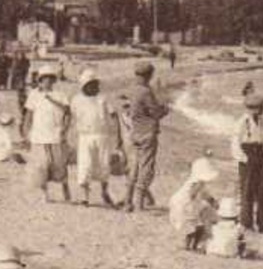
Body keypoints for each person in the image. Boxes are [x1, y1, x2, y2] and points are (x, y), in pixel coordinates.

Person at [123, 62, 171, 212]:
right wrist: (166, 109)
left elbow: (131, 111)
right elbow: (155, 113)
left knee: (134, 167)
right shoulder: (145, 92)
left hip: (135, 132)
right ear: (149, 76)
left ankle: (127, 202)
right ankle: (139, 204)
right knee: (146, 168)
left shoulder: (132, 90)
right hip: (147, 133)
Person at [70, 68, 120, 207]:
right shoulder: (76, 100)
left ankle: (104, 191)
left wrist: (117, 134)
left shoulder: (102, 98)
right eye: (90, 84)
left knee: (104, 164)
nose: (94, 87)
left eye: (95, 84)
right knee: (85, 165)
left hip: (103, 135)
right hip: (85, 136)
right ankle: (84, 196)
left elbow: (114, 115)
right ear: (84, 86)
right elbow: (72, 116)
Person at [24, 67, 72, 202]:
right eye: (45, 79)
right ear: (40, 80)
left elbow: (68, 113)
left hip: (56, 135)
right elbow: (28, 115)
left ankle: (65, 188)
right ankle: (44, 194)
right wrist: (26, 132)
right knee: (41, 166)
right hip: (39, 136)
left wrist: (65, 129)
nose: (48, 81)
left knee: (60, 165)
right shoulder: (34, 95)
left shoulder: (60, 95)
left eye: (50, 79)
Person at [232, 93, 263, 233]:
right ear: (252, 108)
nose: (261, 110)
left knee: (262, 190)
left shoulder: (262, 121)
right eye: (259, 108)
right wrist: (243, 158)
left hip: (260, 153)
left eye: (262, 107)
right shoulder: (243, 121)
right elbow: (235, 142)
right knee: (247, 189)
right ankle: (246, 222)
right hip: (247, 153)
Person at [169, 157, 220, 252]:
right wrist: (201, 204)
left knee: (198, 227)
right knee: (191, 228)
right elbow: (192, 196)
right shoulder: (196, 183)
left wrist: (212, 201)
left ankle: (193, 245)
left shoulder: (199, 183)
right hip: (184, 206)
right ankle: (188, 246)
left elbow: (205, 194)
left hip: (188, 205)